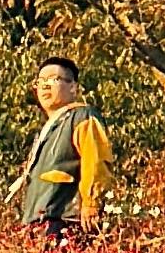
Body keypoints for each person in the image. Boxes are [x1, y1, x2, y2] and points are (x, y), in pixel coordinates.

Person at [12, 58, 110, 238]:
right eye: (41, 81)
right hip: (37, 222)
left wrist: (91, 203)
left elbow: (96, 161)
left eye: (54, 79)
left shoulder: (82, 116)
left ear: (73, 87)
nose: (45, 86)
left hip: (65, 220)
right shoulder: (48, 129)